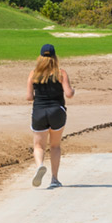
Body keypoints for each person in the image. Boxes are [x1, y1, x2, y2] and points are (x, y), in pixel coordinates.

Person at [25, 43, 74, 188]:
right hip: (57, 111)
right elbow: (69, 94)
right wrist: (73, 90)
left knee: (39, 146)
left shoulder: (33, 73)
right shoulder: (61, 73)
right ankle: (54, 179)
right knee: (55, 146)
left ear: (40, 57)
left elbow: (29, 97)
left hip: (39, 111)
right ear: (54, 57)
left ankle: (40, 165)